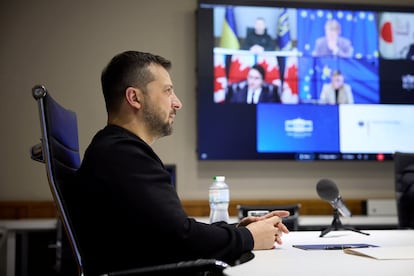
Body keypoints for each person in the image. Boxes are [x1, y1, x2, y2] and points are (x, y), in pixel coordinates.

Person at [71, 50, 289, 275]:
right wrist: (248, 237)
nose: (178, 103)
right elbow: (180, 238)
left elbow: (168, 233)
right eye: (168, 91)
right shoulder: (122, 154)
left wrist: (237, 229)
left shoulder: (114, 150)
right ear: (134, 98)